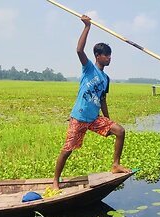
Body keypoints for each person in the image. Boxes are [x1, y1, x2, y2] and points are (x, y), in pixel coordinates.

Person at [53, 15, 130, 189]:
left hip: (94, 119)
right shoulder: (89, 68)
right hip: (79, 117)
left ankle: (116, 164)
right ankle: (55, 180)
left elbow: (103, 99)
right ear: (98, 56)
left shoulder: (106, 78)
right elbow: (79, 50)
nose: (110, 58)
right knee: (67, 149)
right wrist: (87, 27)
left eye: (110, 55)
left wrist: (109, 120)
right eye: (107, 55)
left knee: (120, 131)